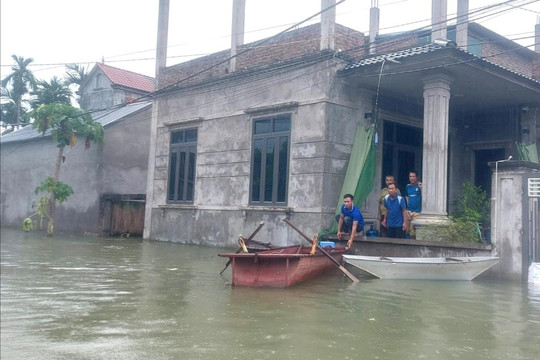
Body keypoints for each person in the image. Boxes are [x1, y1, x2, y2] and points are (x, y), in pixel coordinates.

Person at [405, 170, 422, 239]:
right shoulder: (407, 186)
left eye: (413, 176)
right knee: (407, 230)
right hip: (408, 211)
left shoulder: (419, 186)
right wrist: (407, 204)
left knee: (413, 232)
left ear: (417, 177)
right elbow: (406, 196)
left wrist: (421, 189)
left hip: (417, 212)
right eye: (410, 176)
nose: (412, 178)